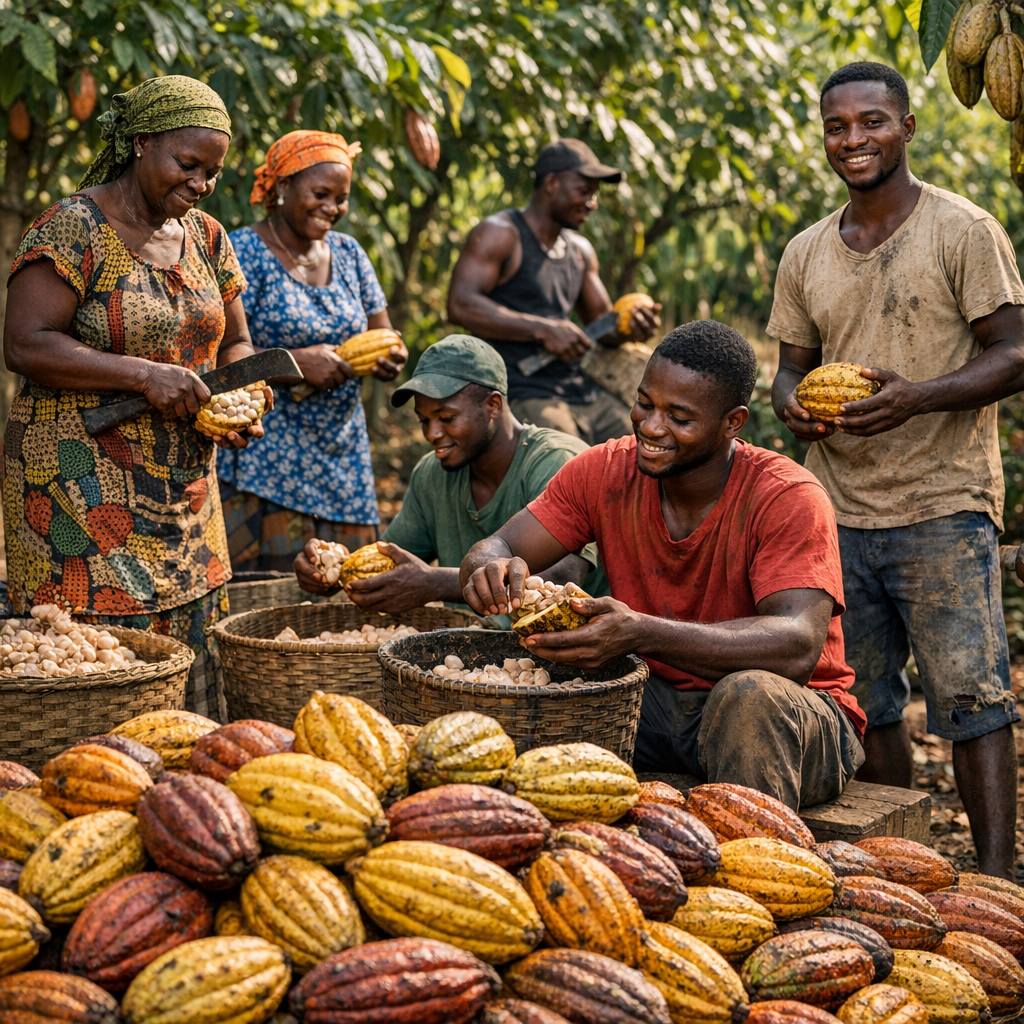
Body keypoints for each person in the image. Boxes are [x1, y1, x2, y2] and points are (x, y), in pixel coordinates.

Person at [768, 62, 1024, 878]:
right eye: (838, 126)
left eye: (872, 122)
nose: (854, 140)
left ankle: (994, 881)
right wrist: (789, 406)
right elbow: (788, 370)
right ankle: (899, 871)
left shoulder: (961, 230)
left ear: (907, 128)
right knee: (867, 702)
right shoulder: (807, 251)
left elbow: (1015, 353)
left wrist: (918, 398)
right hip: (837, 509)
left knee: (973, 703)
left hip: (944, 501)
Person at [460, 321, 866, 810]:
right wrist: (488, 566)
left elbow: (797, 644)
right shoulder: (605, 469)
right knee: (533, 672)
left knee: (749, 696)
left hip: (792, 714)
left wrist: (641, 633)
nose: (651, 427)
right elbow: (499, 543)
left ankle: (753, 871)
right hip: (654, 701)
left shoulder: (786, 495)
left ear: (733, 422)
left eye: (679, 416)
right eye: (645, 403)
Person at [2, 76, 266, 718]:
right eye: (187, 164)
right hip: (78, 486)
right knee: (96, 661)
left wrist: (245, 397)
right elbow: (25, 342)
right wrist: (142, 374)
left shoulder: (206, 237)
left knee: (189, 661)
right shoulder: (73, 228)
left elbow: (236, 343)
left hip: (184, 492)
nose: (200, 184)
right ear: (142, 143)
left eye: (212, 172)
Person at [294, 335, 601, 611]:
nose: (432, 433)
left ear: (493, 405)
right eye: (423, 420)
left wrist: (434, 583)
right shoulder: (432, 474)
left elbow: (561, 578)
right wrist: (333, 567)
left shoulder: (557, 461)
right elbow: (390, 566)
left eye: (446, 417)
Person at [218, 130, 407, 570]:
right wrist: (296, 364)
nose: (332, 208)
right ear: (283, 187)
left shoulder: (349, 254)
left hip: (342, 455)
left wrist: (390, 358)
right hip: (267, 460)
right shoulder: (244, 250)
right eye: (320, 193)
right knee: (268, 591)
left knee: (348, 584)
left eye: (340, 198)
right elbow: (219, 351)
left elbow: (386, 334)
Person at [447, 139, 660, 445]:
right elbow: (461, 304)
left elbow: (602, 323)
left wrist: (630, 327)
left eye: (595, 194)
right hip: (520, 388)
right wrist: (542, 330)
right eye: (584, 191)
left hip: (576, 388)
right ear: (551, 183)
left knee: (644, 443)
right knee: (568, 460)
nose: (592, 202)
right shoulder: (500, 233)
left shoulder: (580, 251)